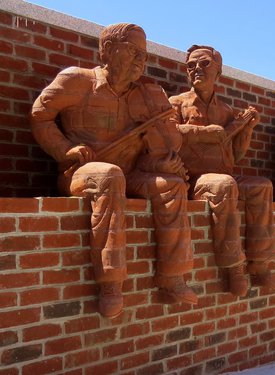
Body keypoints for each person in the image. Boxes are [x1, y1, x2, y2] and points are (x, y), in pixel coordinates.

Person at [30, 23, 196, 317]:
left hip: (129, 174)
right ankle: (111, 282)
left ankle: (172, 275)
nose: (140, 61)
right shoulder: (76, 81)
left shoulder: (144, 95)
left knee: (172, 185)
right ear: (107, 50)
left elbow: (166, 145)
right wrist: (64, 150)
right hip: (82, 173)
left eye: (144, 55)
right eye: (133, 51)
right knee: (109, 175)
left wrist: (160, 152)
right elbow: (40, 115)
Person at [169, 45, 275, 296]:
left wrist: (247, 129)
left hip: (224, 173)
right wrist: (204, 133)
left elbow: (236, 155)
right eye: (191, 65)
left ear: (218, 71)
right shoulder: (177, 103)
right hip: (194, 178)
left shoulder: (226, 111)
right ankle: (233, 267)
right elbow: (168, 135)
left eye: (205, 63)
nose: (197, 69)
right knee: (224, 185)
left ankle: (260, 262)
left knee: (262, 185)